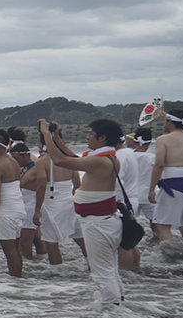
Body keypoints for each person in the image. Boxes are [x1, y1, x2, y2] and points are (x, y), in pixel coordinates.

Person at [40, 118, 124, 304]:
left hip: (98, 223)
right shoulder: (107, 159)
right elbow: (74, 158)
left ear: (102, 138)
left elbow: (60, 160)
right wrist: (56, 137)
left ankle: (111, 309)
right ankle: (117, 302)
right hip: (103, 221)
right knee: (109, 268)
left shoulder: (101, 162)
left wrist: (46, 135)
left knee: (102, 271)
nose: (87, 137)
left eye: (90, 135)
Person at [0, 129, 26, 278]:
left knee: (9, 250)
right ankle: (18, 278)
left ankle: (16, 281)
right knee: (16, 249)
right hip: (18, 207)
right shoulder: (13, 161)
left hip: (7, 210)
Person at [150, 108, 183, 245]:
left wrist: (151, 189)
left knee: (163, 225)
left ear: (170, 122)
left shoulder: (163, 139)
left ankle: (171, 258)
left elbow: (159, 164)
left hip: (173, 185)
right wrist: (166, 117)